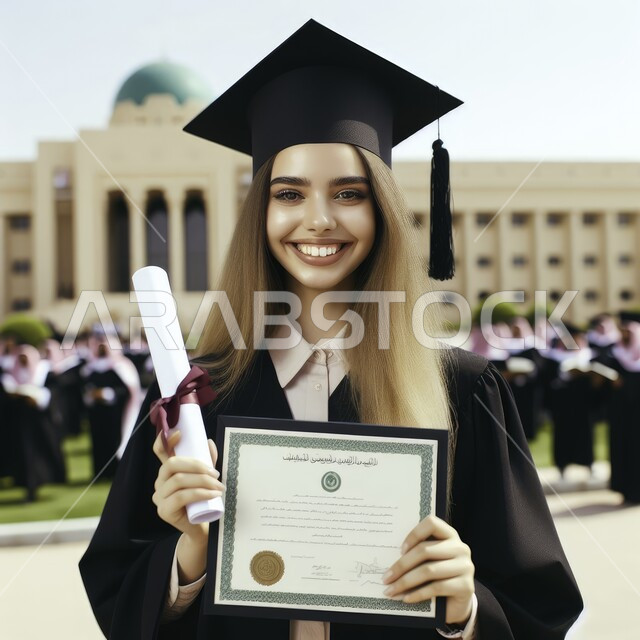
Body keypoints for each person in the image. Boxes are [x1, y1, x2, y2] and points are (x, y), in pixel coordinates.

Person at [79, 19, 582, 640]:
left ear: (384, 211)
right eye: (289, 194)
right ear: (261, 211)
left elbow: (538, 605)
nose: (318, 221)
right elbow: (119, 600)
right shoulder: (194, 397)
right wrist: (189, 551)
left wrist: (464, 604)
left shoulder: (463, 388)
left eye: (349, 194)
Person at [0, 344, 66, 501]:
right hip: (19, 424)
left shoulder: (45, 372)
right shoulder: (10, 374)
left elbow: (54, 392)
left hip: (40, 423)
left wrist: (38, 398)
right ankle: (28, 485)